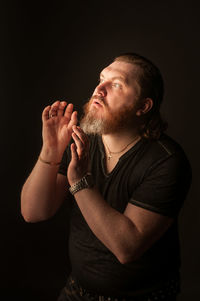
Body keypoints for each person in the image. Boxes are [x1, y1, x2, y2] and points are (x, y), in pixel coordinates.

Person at [21, 53, 192, 301]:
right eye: (101, 79)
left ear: (143, 106)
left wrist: (80, 183)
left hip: (144, 296)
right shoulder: (82, 140)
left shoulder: (166, 160)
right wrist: (50, 150)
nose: (99, 89)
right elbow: (33, 212)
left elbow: (127, 247)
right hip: (77, 291)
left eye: (116, 84)